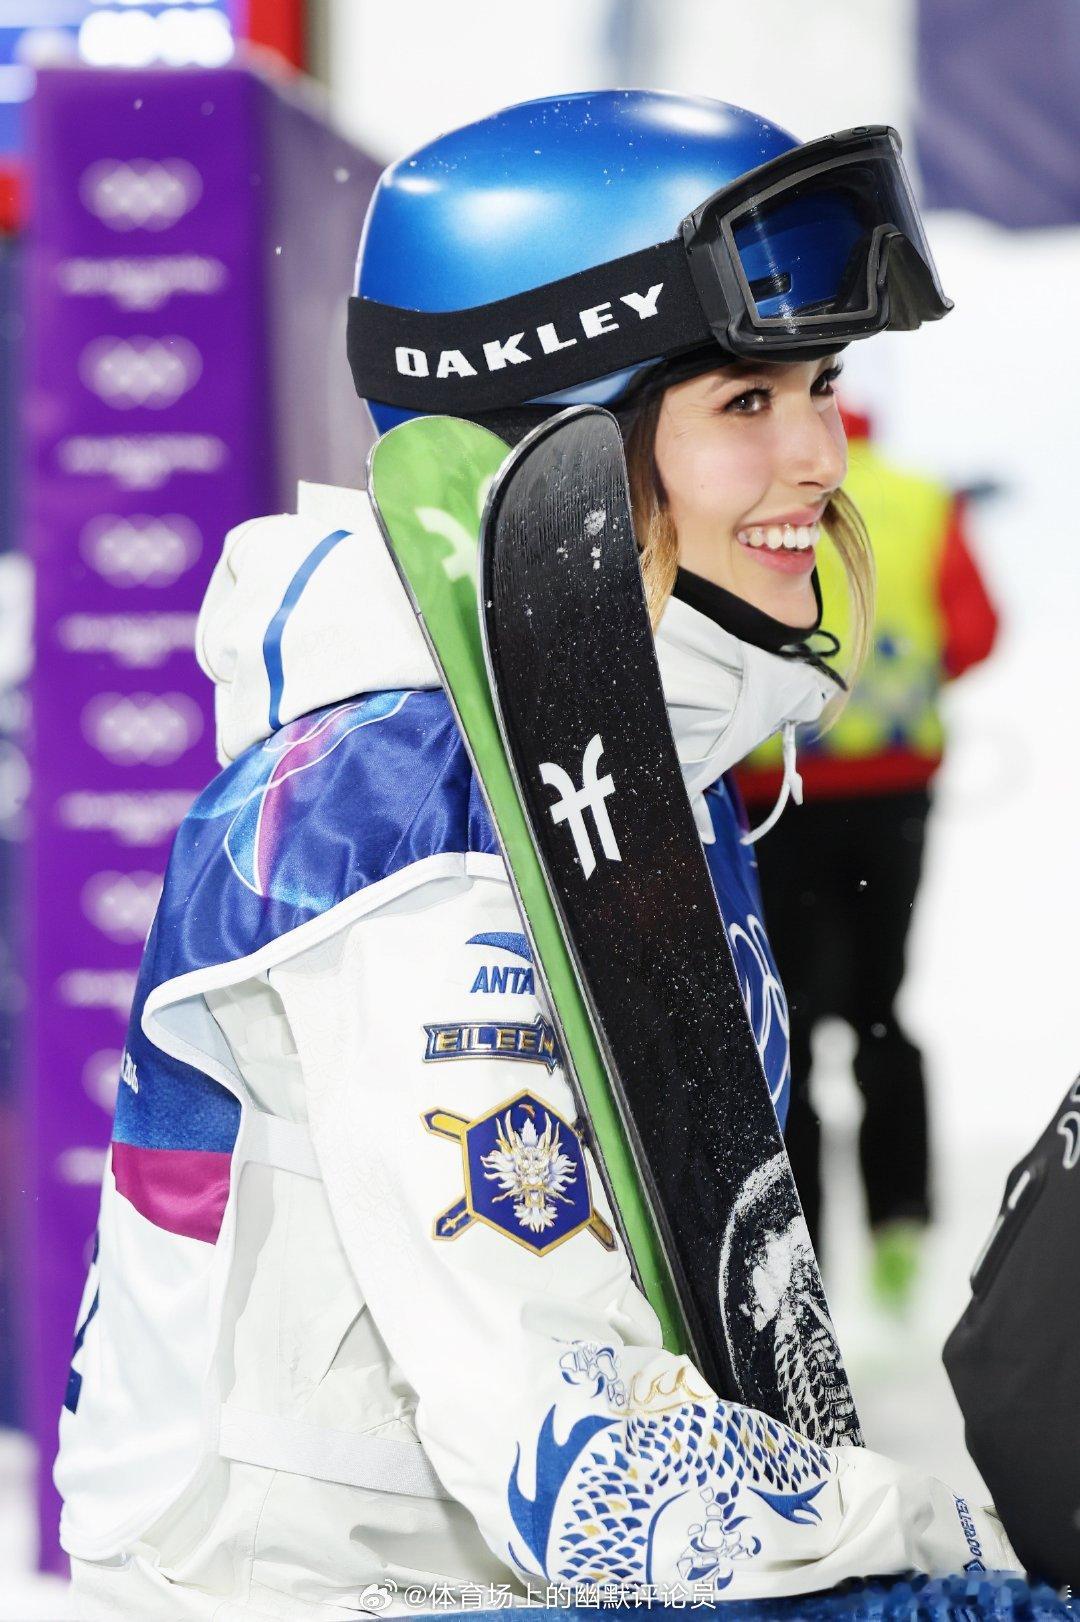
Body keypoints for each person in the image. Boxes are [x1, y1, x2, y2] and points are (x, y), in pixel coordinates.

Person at [56, 92, 1016, 1619]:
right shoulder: (420, 811)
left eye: (821, 387)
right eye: (746, 402)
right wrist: (962, 1552)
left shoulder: (614, 758)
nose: (823, 454)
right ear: (553, 441)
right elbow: (584, 1456)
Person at [737, 406, 999, 1307]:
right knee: (882, 1010)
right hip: (892, 796)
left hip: (777, 797)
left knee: (789, 1030)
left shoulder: (747, 500)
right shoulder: (921, 500)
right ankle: (902, 1225)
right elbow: (974, 632)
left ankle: (801, 1265)